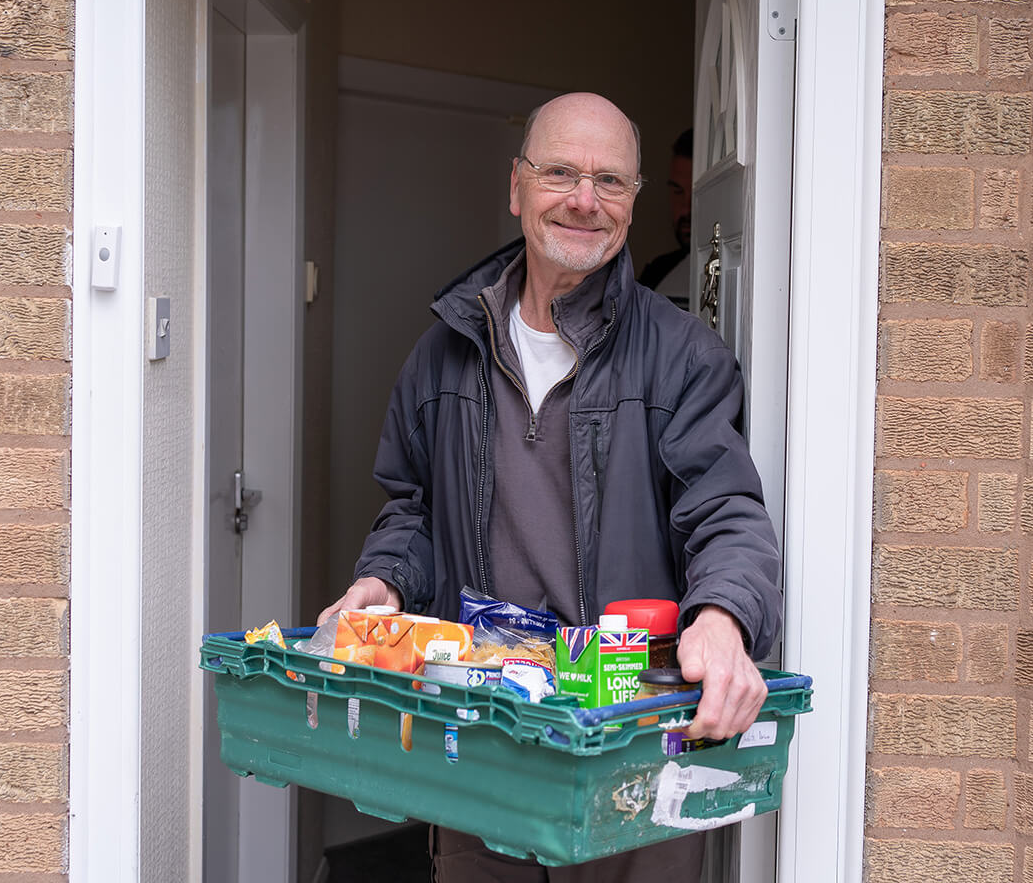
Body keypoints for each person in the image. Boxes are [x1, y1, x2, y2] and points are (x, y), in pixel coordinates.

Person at [317, 93, 782, 882]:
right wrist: (381, 578)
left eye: (610, 181)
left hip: (633, 753)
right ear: (516, 187)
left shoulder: (685, 359)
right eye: (560, 172)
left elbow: (726, 510)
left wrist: (724, 617)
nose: (583, 200)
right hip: (484, 748)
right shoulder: (442, 357)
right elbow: (413, 510)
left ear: (633, 203)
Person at [636, 129, 694, 309]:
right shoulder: (656, 273)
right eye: (678, 191)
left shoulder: (743, 277)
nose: (686, 208)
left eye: (695, 193)